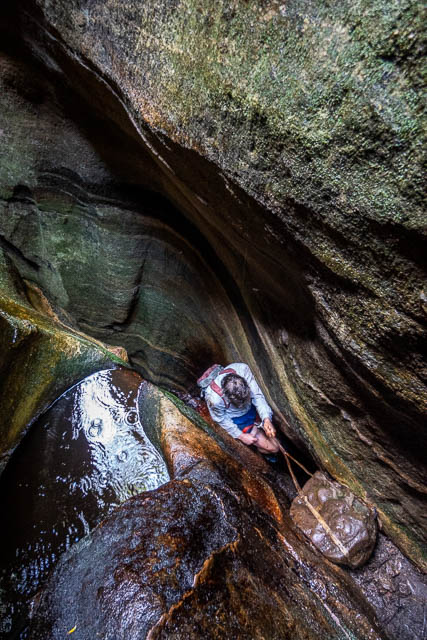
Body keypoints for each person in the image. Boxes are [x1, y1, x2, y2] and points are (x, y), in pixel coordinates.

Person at [204, 363, 279, 459]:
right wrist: (241, 436)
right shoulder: (214, 399)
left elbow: (257, 396)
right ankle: (264, 453)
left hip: (251, 407)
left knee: (275, 442)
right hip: (237, 418)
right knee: (274, 448)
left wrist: (266, 418)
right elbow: (221, 419)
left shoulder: (242, 370)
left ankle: (260, 436)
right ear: (227, 397)